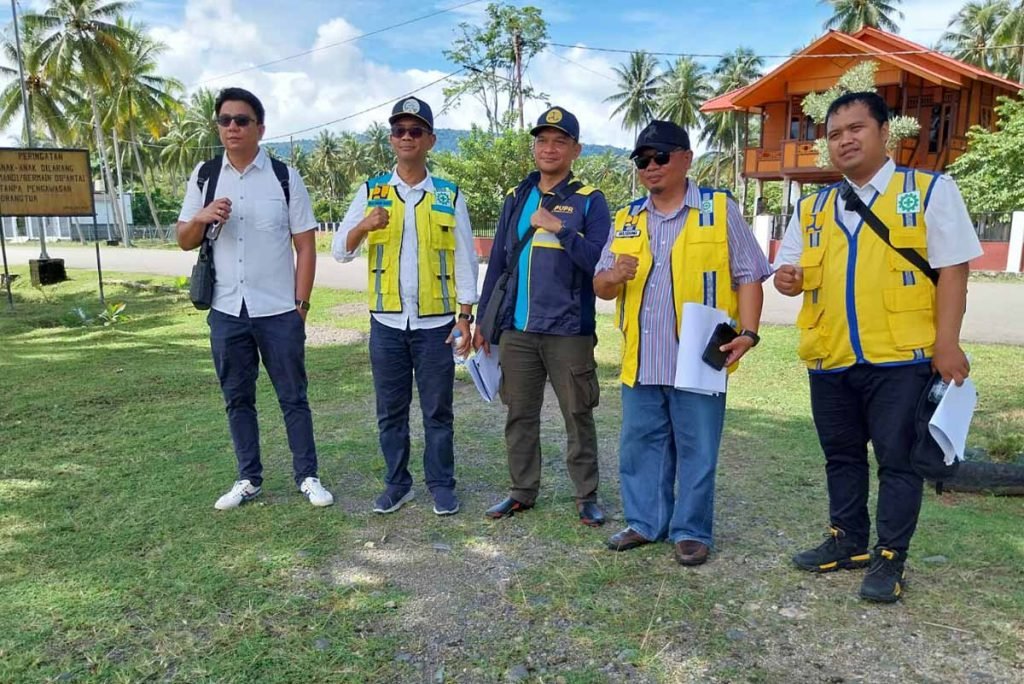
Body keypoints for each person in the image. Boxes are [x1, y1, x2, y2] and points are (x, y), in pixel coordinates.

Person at [774, 91, 981, 602]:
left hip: (903, 359)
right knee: (840, 456)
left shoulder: (929, 190)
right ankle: (846, 541)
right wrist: (788, 280)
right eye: (835, 133)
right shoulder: (813, 205)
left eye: (856, 128)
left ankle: (890, 557)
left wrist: (947, 344)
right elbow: (792, 270)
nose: (844, 140)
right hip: (830, 354)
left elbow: (954, 269)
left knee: (898, 461)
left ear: (885, 131)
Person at [594, 120, 770, 566]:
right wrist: (612, 277)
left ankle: (691, 530)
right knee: (640, 444)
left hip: (701, 357)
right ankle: (645, 521)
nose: (650, 167)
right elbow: (601, 285)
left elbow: (749, 273)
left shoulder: (718, 209)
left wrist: (748, 333)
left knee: (697, 446)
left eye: (660, 157)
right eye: (642, 160)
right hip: (643, 355)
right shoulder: (627, 217)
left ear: (686, 158)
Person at [176, 87, 334, 510]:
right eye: (225, 120)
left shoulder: (284, 177)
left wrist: (301, 306)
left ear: (259, 128)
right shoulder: (205, 175)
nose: (232, 127)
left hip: (279, 310)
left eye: (242, 120)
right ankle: (248, 478)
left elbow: (306, 246)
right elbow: (183, 240)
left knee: (293, 397)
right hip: (227, 310)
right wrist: (202, 217)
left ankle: (308, 475)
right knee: (237, 397)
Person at [333, 97, 478, 516]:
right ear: (391, 139)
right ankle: (398, 483)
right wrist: (363, 224)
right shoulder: (372, 191)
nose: (407, 137)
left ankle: (441, 484)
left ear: (430, 139)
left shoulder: (449, 195)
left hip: (436, 325)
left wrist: (465, 318)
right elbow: (340, 252)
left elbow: (465, 260)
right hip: (387, 324)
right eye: (400, 131)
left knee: (438, 411)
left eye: (416, 131)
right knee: (390, 411)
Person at [475, 106, 611, 526]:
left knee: (577, 413)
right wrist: (484, 323)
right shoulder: (516, 197)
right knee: (519, 413)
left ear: (576, 150)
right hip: (517, 331)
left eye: (560, 141)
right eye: (542, 140)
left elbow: (599, 262)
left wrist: (559, 227)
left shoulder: (590, 200)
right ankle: (521, 490)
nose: (549, 148)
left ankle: (586, 495)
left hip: (568, 331)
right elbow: (498, 263)